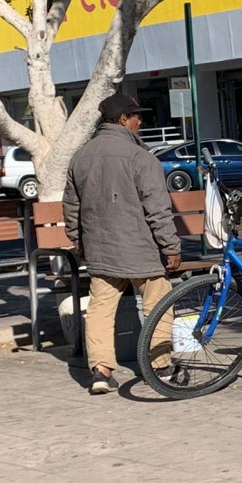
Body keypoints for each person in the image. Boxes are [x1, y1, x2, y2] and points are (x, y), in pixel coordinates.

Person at [63, 93, 182, 395]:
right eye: (136, 116)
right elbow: (157, 208)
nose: (140, 121)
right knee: (157, 301)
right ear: (122, 119)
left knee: (101, 307)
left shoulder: (81, 156)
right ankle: (162, 366)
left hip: (100, 249)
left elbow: (71, 207)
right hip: (141, 248)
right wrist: (170, 247)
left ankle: (101, 372)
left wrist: (79, 242)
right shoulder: (140, 157)